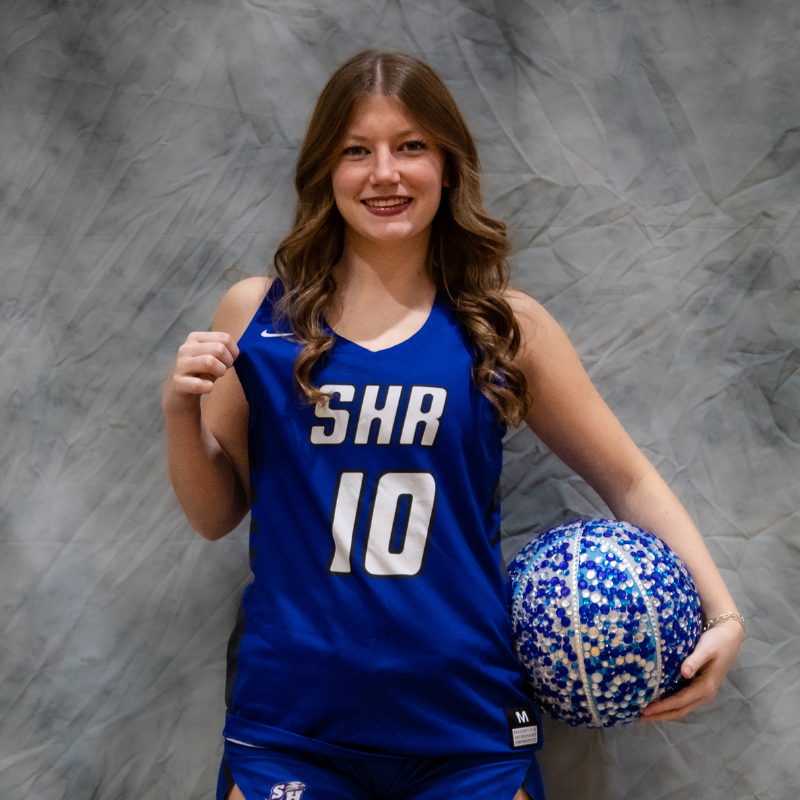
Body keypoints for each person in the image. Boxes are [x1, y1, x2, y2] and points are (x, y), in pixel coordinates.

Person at [162, 50, 744, 800]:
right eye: (355, 151)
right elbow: (215, 515)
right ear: (323, 171)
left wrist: (722, 612)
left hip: (466, 727)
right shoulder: (258, 315)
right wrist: (180, 411)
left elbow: (627, 478)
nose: (385, 174)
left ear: (447, 163)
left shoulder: (505, 325)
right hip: (293, 724)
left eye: (410, 146)